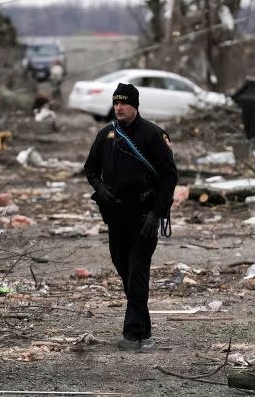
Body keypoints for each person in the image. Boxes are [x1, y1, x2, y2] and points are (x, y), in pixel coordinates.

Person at [84, 83, 178, 351]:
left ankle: (132, 334)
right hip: (116, 215)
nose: (119, 107)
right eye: (115, 103)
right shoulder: (106, 135)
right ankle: (143, 324)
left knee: (137, 271)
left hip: (143, 216)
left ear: (135, 105)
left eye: (124, 103)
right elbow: (90, 168)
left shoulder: (153, 135)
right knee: (123, 268)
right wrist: (101, 190)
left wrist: (156, 214)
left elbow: (170, 176)